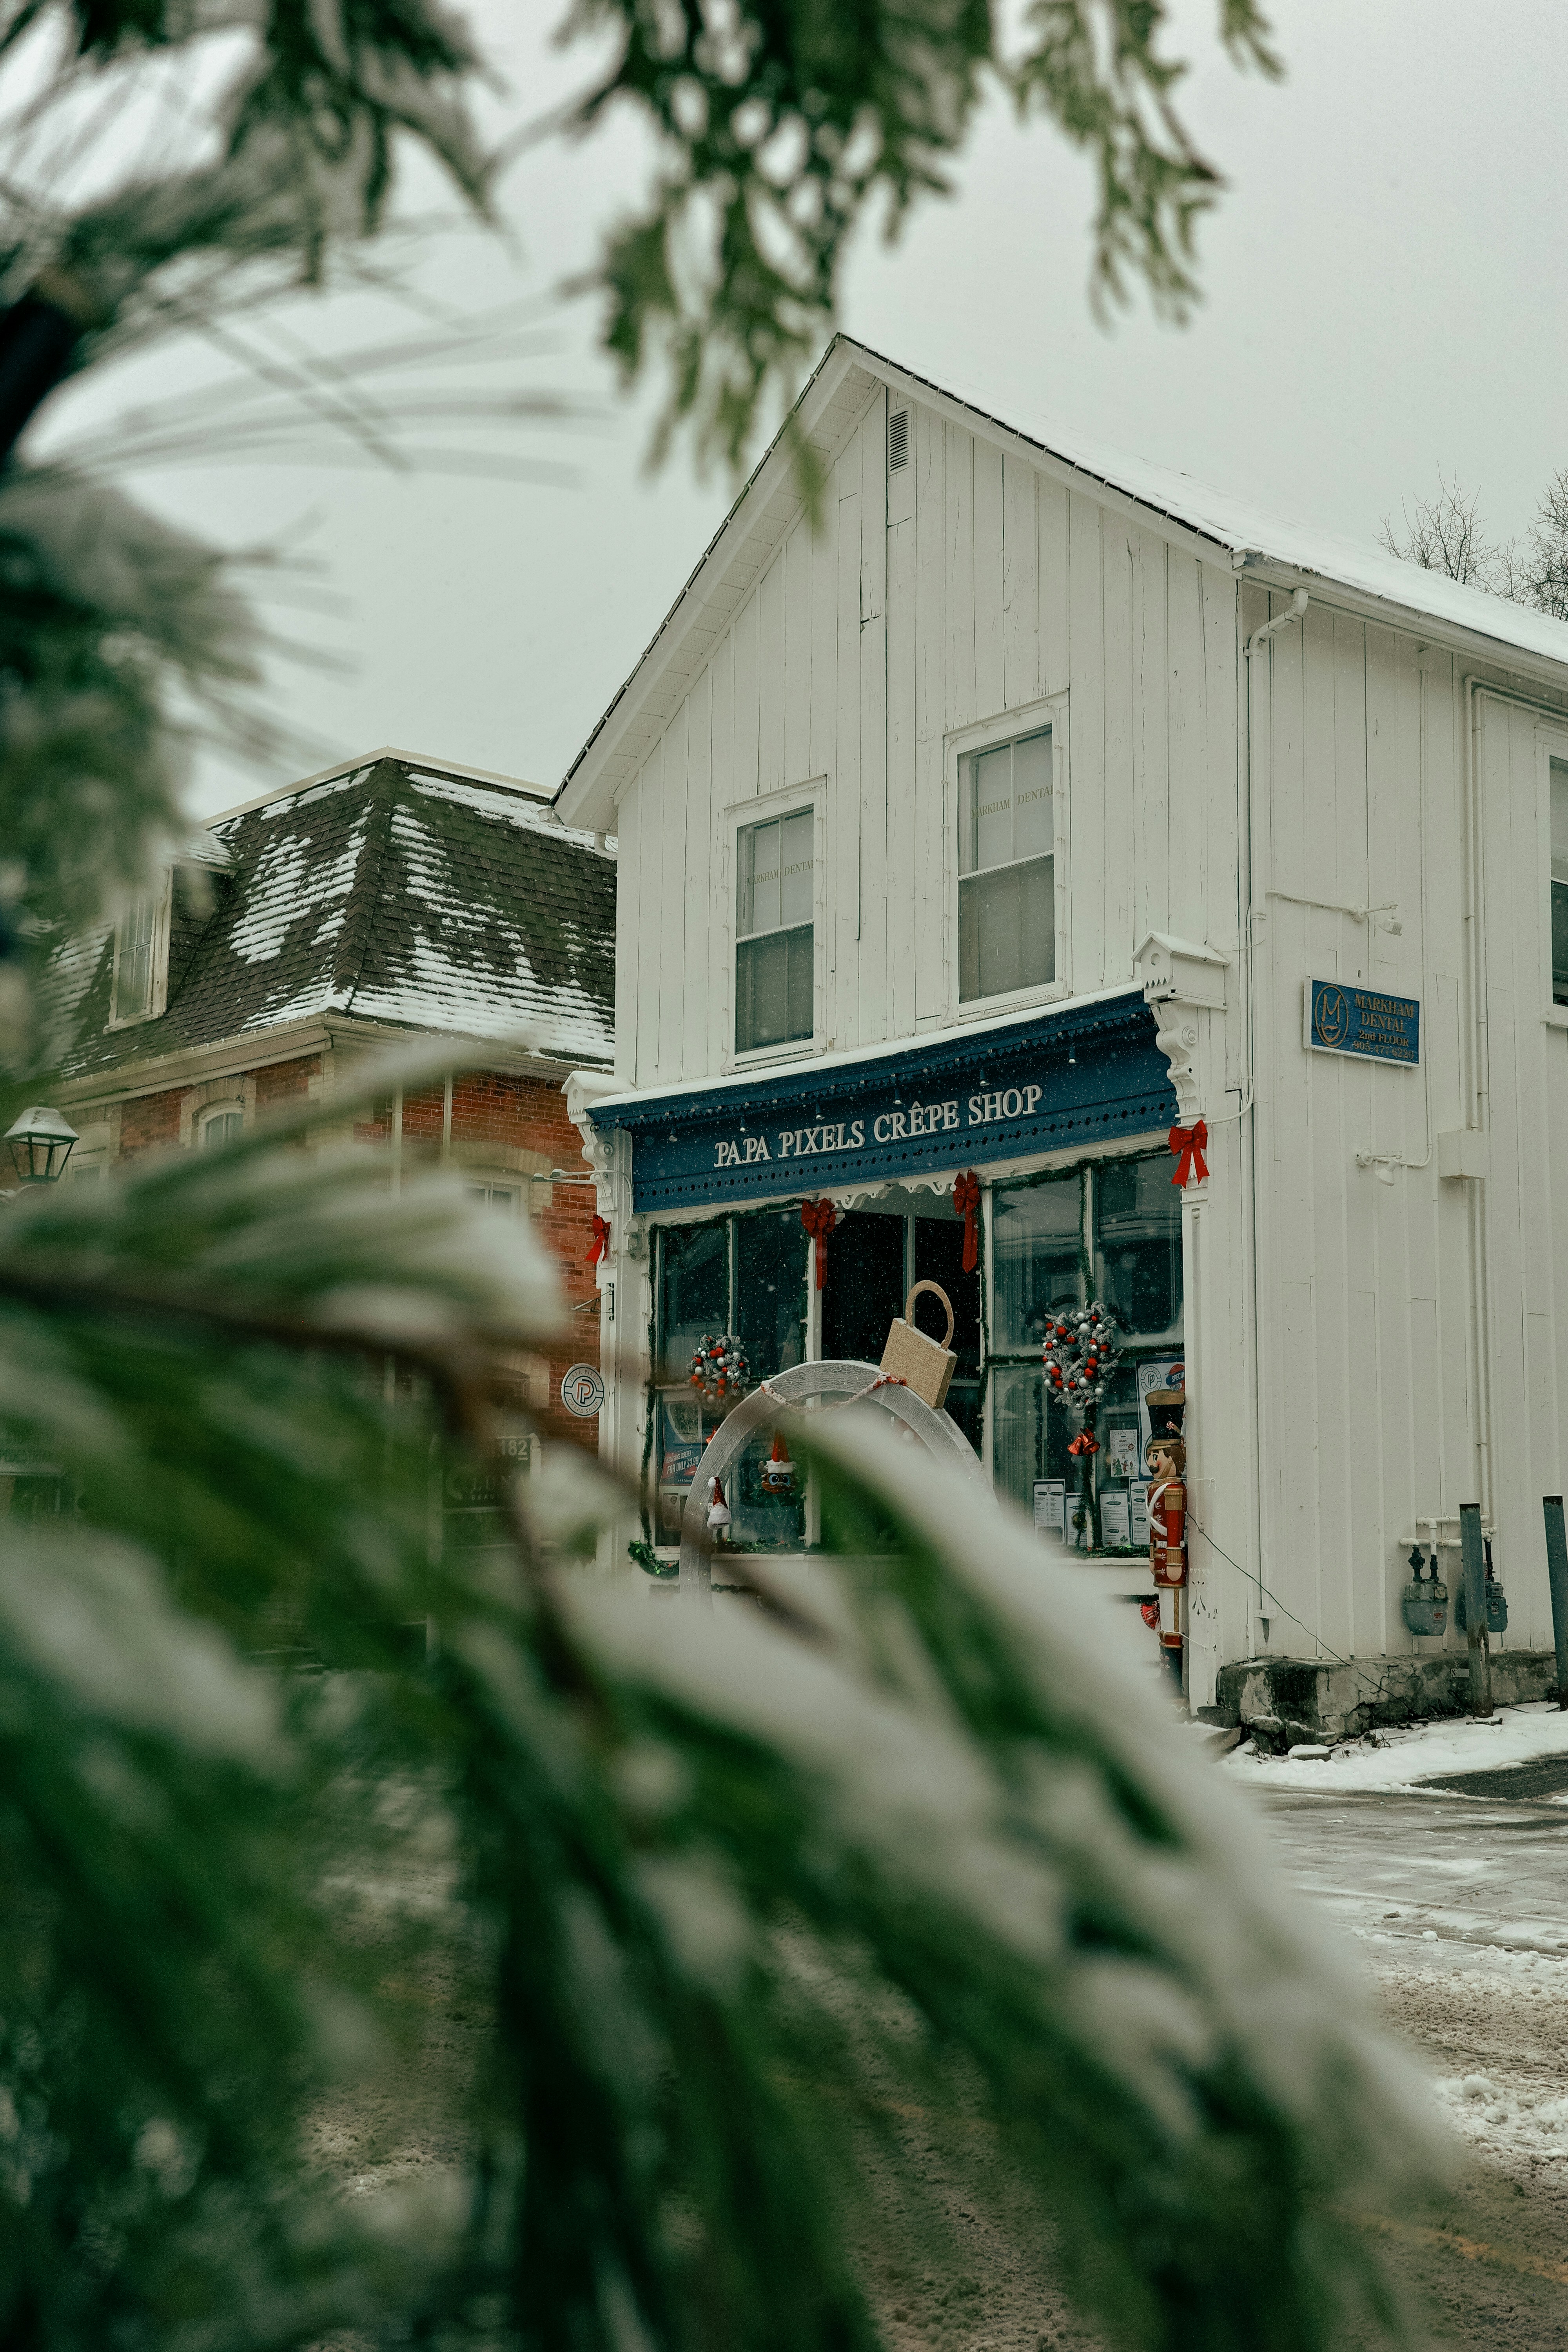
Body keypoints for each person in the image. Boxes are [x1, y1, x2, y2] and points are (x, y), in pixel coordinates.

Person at [1146, 1434, 1187, 1688]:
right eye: (1150, 1456)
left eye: (1156, 1456)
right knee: (1167, 1617)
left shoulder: (1172, 1490)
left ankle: (1173, 1680)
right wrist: (1153, 1555)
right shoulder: (1156, 1488)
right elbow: (1153, 1529)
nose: (1152, 1463)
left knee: (1173, 1618)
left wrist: (1173, 1560)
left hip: (1170, 1562)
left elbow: (1174, 1528)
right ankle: (1167, 1673)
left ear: (1172, 1458)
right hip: (1161, 1561)